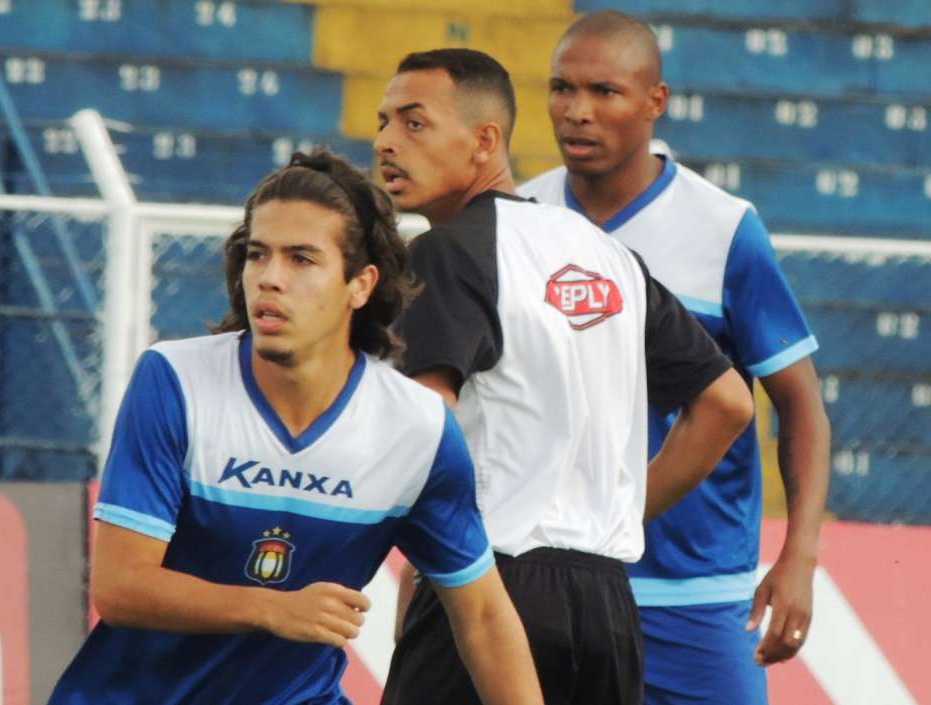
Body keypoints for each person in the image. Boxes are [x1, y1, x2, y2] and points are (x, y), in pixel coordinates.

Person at [47, 151, 545, 705]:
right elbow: (121, 588)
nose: (269, 279)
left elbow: (482, 613)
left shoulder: (418, 428)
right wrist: (273, 608)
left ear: (360, 284)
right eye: (258, 255)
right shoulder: (175, 381)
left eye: (301, 259)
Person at [374, 49, 755, 705]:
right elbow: (727, 402)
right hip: (607, 604)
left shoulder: (447, 251)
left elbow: (425, 426)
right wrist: (621, 509)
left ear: (485, 140)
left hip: (489, 584)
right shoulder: (608, 254)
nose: (384, 142)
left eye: (413, 123)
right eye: (382, 122)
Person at [518, 11, 831, 705]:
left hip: (693, 593)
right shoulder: (519, 218)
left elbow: (802, 404)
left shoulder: (724, 229)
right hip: (548, 579)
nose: (577, 112)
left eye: (605, 92)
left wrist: (800, 556)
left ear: (655, 102)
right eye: (562, 89)